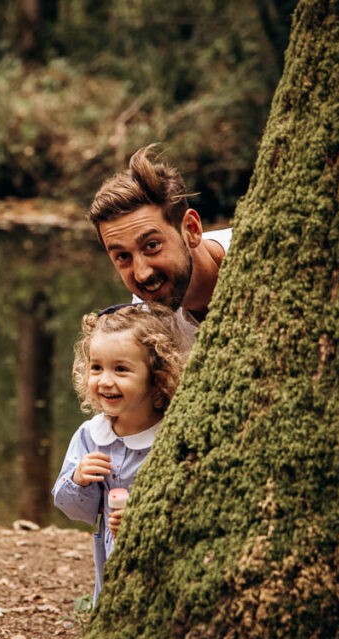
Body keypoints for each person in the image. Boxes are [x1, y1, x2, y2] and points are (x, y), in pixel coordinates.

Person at [51, 305, 187, 603]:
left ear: (157, 377)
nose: (105, 380)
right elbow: (69, 506)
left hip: (162, 568)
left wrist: (145, 516)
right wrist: (78, 479)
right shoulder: (90, 436)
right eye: (96, 367)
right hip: (110, 565)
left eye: (121, 369)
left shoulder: (172, 437)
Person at [88, 144, 232, 346]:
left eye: (152, 245)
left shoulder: (264, 254)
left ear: (192, 229)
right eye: (122, 256)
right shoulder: (146, 320)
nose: (142, 274)